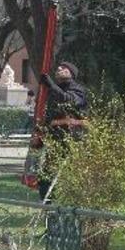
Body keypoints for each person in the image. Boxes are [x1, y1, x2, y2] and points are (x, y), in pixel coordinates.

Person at [38, 61, 88, 201]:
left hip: (73, 141)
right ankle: (48, 209)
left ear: (71, 73)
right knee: (45, 177)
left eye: (63, 68)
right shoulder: (54, 91)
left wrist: (51, 86)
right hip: (55, 140)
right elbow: (49, 115)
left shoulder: (78, 90)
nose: (59, 69)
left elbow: (69, 100)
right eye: (58, 67)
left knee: (70, 176)